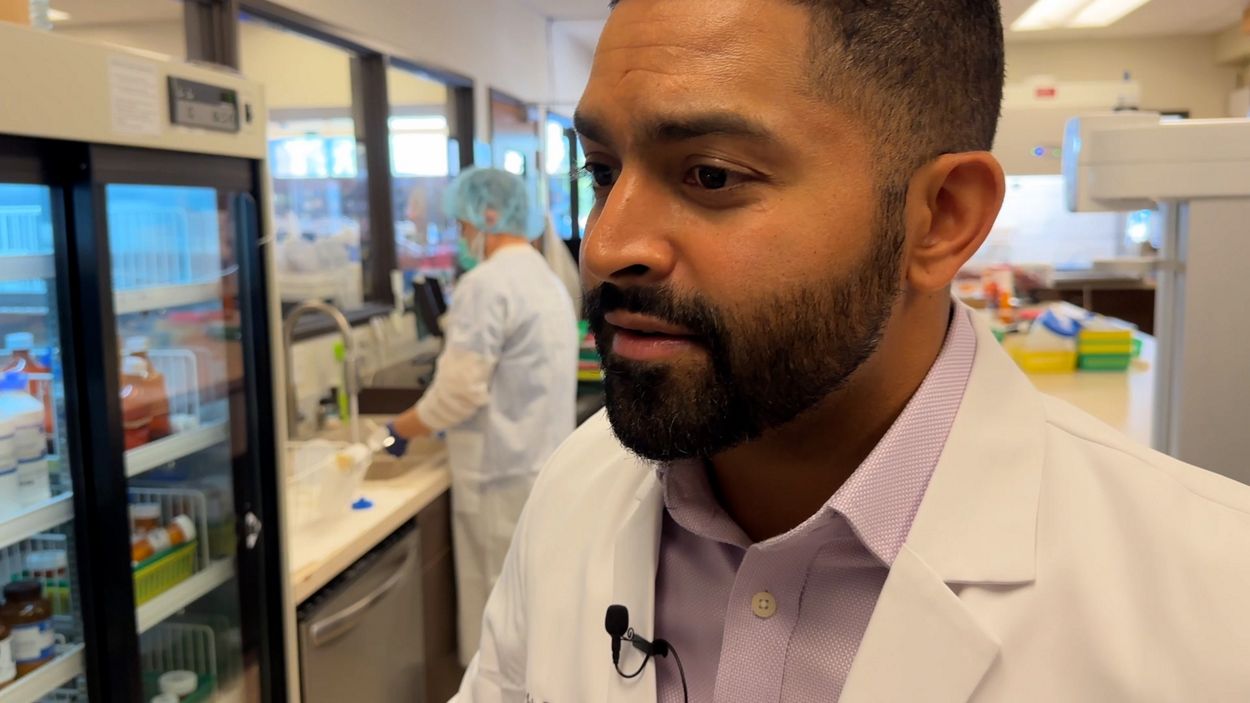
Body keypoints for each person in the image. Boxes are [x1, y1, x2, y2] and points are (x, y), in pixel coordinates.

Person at [454, 0, 1250, 700]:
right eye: (602, 171)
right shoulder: (576, 488)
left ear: (940, 218)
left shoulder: (1216, 608)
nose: (605, 246)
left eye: (711, 175)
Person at [383, 167, 578, 667]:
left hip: (497, 479)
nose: (462, 236)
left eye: (463, 224)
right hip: (536, 468)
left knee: (498, 622)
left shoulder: (486, 284)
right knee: (529, 615)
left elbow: (458, 392)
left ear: (490, 215)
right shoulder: (545, 278)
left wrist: (398, 429)